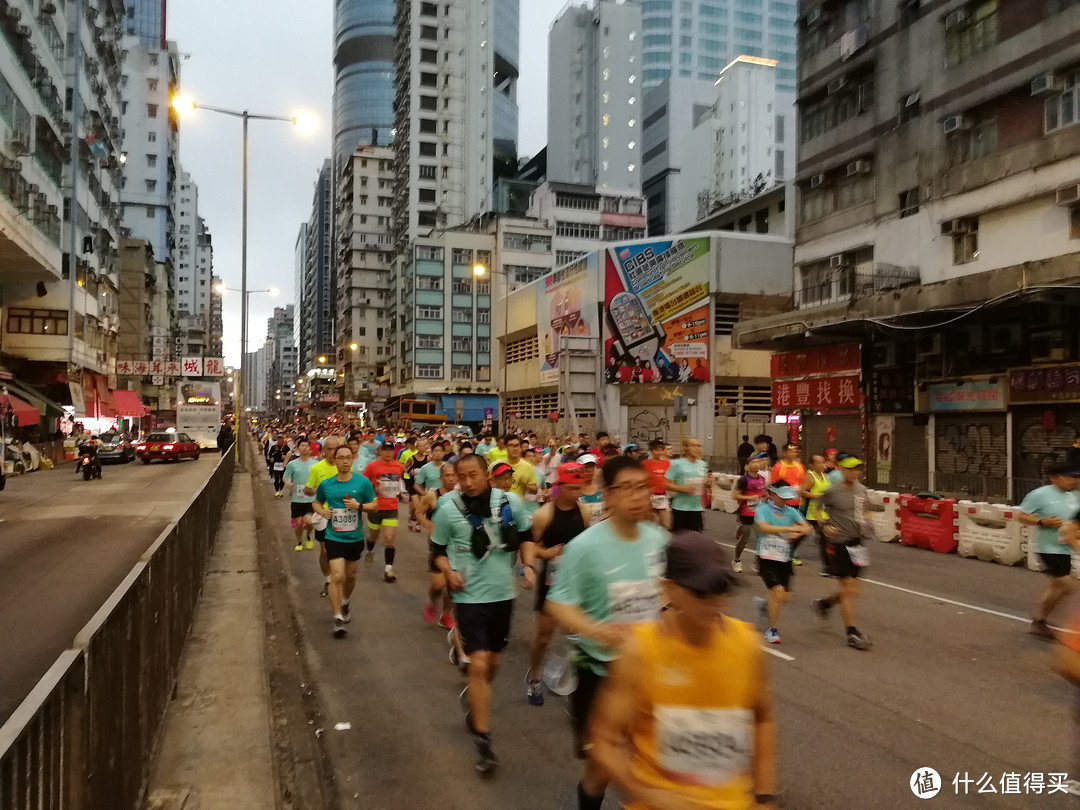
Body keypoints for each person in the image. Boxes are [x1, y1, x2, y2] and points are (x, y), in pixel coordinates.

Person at [588, 530, 777, 810]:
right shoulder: (639, 652)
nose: (715, 602)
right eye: (700, 592)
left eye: (720, 589)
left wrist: (764, 796)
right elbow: (604, 742)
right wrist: (648, 794)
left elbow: (763, 717)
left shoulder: (747, 644)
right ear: (668, 588)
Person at [545, 456, 669, 810]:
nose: (636, 496)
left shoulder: (658, 538)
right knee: (602, 768)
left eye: (642, 487)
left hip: (650, 670)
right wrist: (600, 632)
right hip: (600, 673)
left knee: (651, 758)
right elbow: (559, 604)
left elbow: (668, 589)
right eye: (625, 488)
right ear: (607, 496)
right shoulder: (585, 546)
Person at [431, 452, 536, 776]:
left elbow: (527, 536)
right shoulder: (448, 509)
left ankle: (474, 697)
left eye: (473, 475)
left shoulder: (510, 503)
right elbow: (436, 551)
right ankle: (483, 740)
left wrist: (529, 565)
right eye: (462, 477)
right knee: (478, 664)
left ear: (486, 474)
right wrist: (448, 572)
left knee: (492, 663)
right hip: (469, 597)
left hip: (503, 594)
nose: (468, 482)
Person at [526, 461, 593, 707]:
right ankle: (534, 675)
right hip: (552, 583)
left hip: (578, 580)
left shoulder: (583, 511)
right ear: (560, 486)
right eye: (572, 488)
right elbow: (529, 546)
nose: (577, 492)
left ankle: (581, 678)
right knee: (544, 637)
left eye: (580, 487)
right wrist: (547, 554)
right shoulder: (545, 514)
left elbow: (589, 541)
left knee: (583, 635)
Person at [312, 445, 379, 637]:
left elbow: (375, 505)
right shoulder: (327, 484)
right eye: (340, 457)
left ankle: (345, 602)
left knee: (350, 576)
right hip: (334, 536)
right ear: (335, 460)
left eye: (348, 457)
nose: (344, 461)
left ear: (352, 459)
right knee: (337, 576)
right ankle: (337, 617)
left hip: (354, 537)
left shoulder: (363, 483)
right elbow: (316, 501)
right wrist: (322, 511)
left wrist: (360, 506)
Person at [812, 454, 874, 651]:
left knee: (852, 590)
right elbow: (816, 508)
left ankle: (825, 604)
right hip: (838, 543)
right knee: (847, 587)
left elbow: (866, 510)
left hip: (858, 543)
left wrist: (868, 522)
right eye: (851, 469)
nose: (856, 472)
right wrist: (824, 525)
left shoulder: (861, 489)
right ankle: (851, 632)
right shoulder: (832, 491)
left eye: (858, 469)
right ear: (842, 470)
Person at [1019, 463, 1080, 639]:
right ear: (1054, 477)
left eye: (1075, 477)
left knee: (1057, 588)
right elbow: (1021, 515)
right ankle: (1059, 621)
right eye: (1068, 476)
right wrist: (1041, 521)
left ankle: (1039, 620)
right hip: (1049, 547)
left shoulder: (1076, 495)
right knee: (1068, 585)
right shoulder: (1040, 495)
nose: (1073, 480)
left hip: (1067, 548)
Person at [753, 484, 811, 644]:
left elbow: (807, 528)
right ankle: (772, 630)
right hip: (766, 556)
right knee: (777, 592)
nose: (784, 500)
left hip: (784, 557)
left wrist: (798, 532)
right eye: (781, 496)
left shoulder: (791, 511)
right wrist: (788, 529)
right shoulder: (763, 510)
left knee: (784, 597)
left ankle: (764, 605)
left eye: (787, 497)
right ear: (772, 494)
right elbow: (764, 527)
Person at [418, 461, 458, 629]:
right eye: (447, 475)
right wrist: (428, 524)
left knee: (453, 584)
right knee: (438, 584)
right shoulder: (432, 496)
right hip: (438, 544)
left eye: (453, 475)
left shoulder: (462, 495)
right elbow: (419, 512)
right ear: (441, 478)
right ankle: (432, 600)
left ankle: (446, 614)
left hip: (457, 545)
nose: (450, 478)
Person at [304, 436, 345, 598]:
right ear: (324, 450)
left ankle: (338, 577)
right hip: (323, 513)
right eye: (329, 448)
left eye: (336, 448)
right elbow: (308, 489)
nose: (332, 452)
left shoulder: (345, 467)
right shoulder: (317, 468)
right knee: (325, 550)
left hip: (342, 514)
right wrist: (315, 491)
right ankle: (328, 580)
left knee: (341, 549)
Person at [362, 442, 406, 583]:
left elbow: (399, 482)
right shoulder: (372, 466)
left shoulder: (398, 466)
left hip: (391, 507)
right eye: (385, 450)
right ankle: (370, 550)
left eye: (390, 450)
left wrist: (402, 493)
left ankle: (388, 569)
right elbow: (364, 483)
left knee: (389, 538)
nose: (388, 453)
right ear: (380, 451)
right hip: (375, 507)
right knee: (373, 537)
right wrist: (374, 488)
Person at [732, 453, 769, 573]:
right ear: (747, 466)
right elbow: (735, 495)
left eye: (758, 462)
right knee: (745, 539)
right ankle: (736, 560)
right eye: (753, 462)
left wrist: (766, 497)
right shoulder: (743, 480)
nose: (756, 464)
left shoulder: (762, 479)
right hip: (746, 512)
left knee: (762, 538)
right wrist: (750, 498)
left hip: (759, 512)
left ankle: (759, 563)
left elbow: (764, 493)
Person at [665, 437, 708, 533]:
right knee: (680, 540)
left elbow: (703, 483)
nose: (697, 448)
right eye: (693, 446)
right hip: (680, 508)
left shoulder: (703, 464)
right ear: (686, 448)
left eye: (699, 446)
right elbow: (666, 485)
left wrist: (708, 484)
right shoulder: (676, 464)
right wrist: (684, 488)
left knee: (696, 539)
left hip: (697, 508)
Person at [801, 453, 834, 577]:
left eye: (823, 462)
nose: (822, 465)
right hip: (813, 512)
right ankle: (827, 567)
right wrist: (817, 496)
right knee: (825, 540)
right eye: (819, 463)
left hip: (826, 512)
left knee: (825, 538)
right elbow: (801, 491)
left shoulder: (826, 476)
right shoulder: (810, 477)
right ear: (812, 465)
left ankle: (789, 550)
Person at [283, 440, 319, 552]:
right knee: (298, 523)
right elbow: (286, 477)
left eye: (306, 446)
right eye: (302, 446)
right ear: (298, 448)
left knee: (309, 521)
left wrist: (317, 488)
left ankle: (308, 535)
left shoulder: (315, 464)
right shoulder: (292, 464)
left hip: (312, 498)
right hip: (297, 498)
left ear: (310, 449)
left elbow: (319, 479)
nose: (304, 448)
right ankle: (299, 540)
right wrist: (288, 483)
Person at [641, 439, 671, 530]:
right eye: (656, 450)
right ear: (651, 451)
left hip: (663, 496)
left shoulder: (667, 463)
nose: (659, 452)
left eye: (661, 450)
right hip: (650, 496)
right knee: (651, 524)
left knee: (666, 524)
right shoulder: (645, 464)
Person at [504, 434, 538, 501]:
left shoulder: (529, 468)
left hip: (523, 505)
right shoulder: (497, 464)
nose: (515, 448)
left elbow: (536, 490)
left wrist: (527, 485)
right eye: (511, 446)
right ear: (506, 447)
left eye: (517, 445)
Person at [522, 446, 548, 516]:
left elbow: (544, 488)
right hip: (521, 508)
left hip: (535, 509)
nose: (531, 459)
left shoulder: (540, 473)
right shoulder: (517, 473)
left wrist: (544, 495)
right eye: (528, 456)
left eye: (533, 456)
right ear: (523, 458)